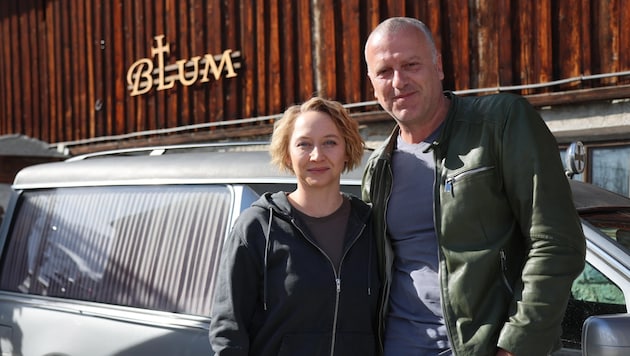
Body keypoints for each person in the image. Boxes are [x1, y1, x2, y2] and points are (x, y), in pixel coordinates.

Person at [361, 17, 586, 356]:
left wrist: (516, 345)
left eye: (411, 65)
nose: (399, 81)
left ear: (438, 67)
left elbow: (556, 241)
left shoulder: (500, 123)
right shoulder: (378, 168)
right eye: (384, 72)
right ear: (372, 83)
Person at [209, 96, 381, 356]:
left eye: (330, 143)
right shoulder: (257, 227)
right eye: (304, 144)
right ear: (287, 154)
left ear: (347, 150)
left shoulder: (371, 227)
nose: (317, 155)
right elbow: (228, 330)